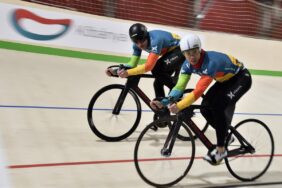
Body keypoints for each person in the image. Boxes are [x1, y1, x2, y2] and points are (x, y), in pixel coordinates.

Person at [150, 33, 252, 165]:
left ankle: (220, 150)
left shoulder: (211, 63)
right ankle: (227, 135)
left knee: (218, 107)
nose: (192, 56)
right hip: (224, 80)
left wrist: (179, 106)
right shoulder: (187, 65)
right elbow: (179, 87)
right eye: (187, 53)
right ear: (183, 54)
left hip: (241, 78)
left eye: (194, 52)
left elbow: (198, 92)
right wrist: (165, 101)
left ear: (199, 49)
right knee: (205, 109)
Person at [106, 23, 185, 99]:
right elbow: (132, 64)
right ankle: (161, 110)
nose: (140, 45)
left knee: (156, 69)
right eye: (136, 42)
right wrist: (116, 71)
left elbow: (148, 66)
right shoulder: (136, 45)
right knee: (157, 83)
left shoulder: (156, 40)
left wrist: (127, 73)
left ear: (146, 36)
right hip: (169, 52)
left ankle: (177, 92)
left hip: (180, 50)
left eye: (141, 40)